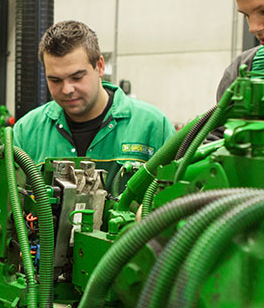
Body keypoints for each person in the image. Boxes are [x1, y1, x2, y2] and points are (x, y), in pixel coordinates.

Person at [13, 20, 175, 192]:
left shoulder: (153, 127)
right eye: (55, 80)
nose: (67, 89)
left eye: (77, 77)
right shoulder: (26, 132)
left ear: (99, 66)